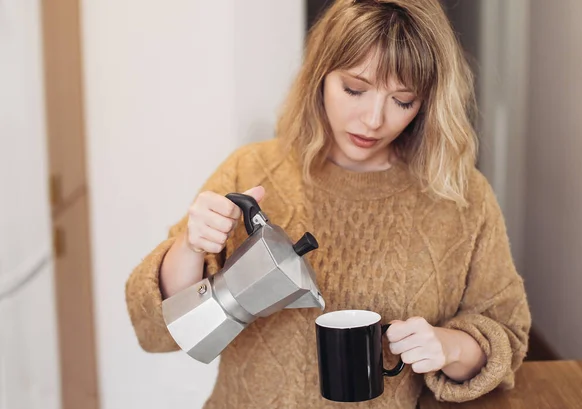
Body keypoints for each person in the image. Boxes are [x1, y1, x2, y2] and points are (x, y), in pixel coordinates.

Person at [125, 0, 531, 407]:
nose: (373, 120)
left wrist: (451, 347)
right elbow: (158, 331)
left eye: (403, 100)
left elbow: (504, 333)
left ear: (428, 102)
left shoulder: (460, 196)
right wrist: (191, 247)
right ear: (320, 75)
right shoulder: (250, 171)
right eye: (354, 89)